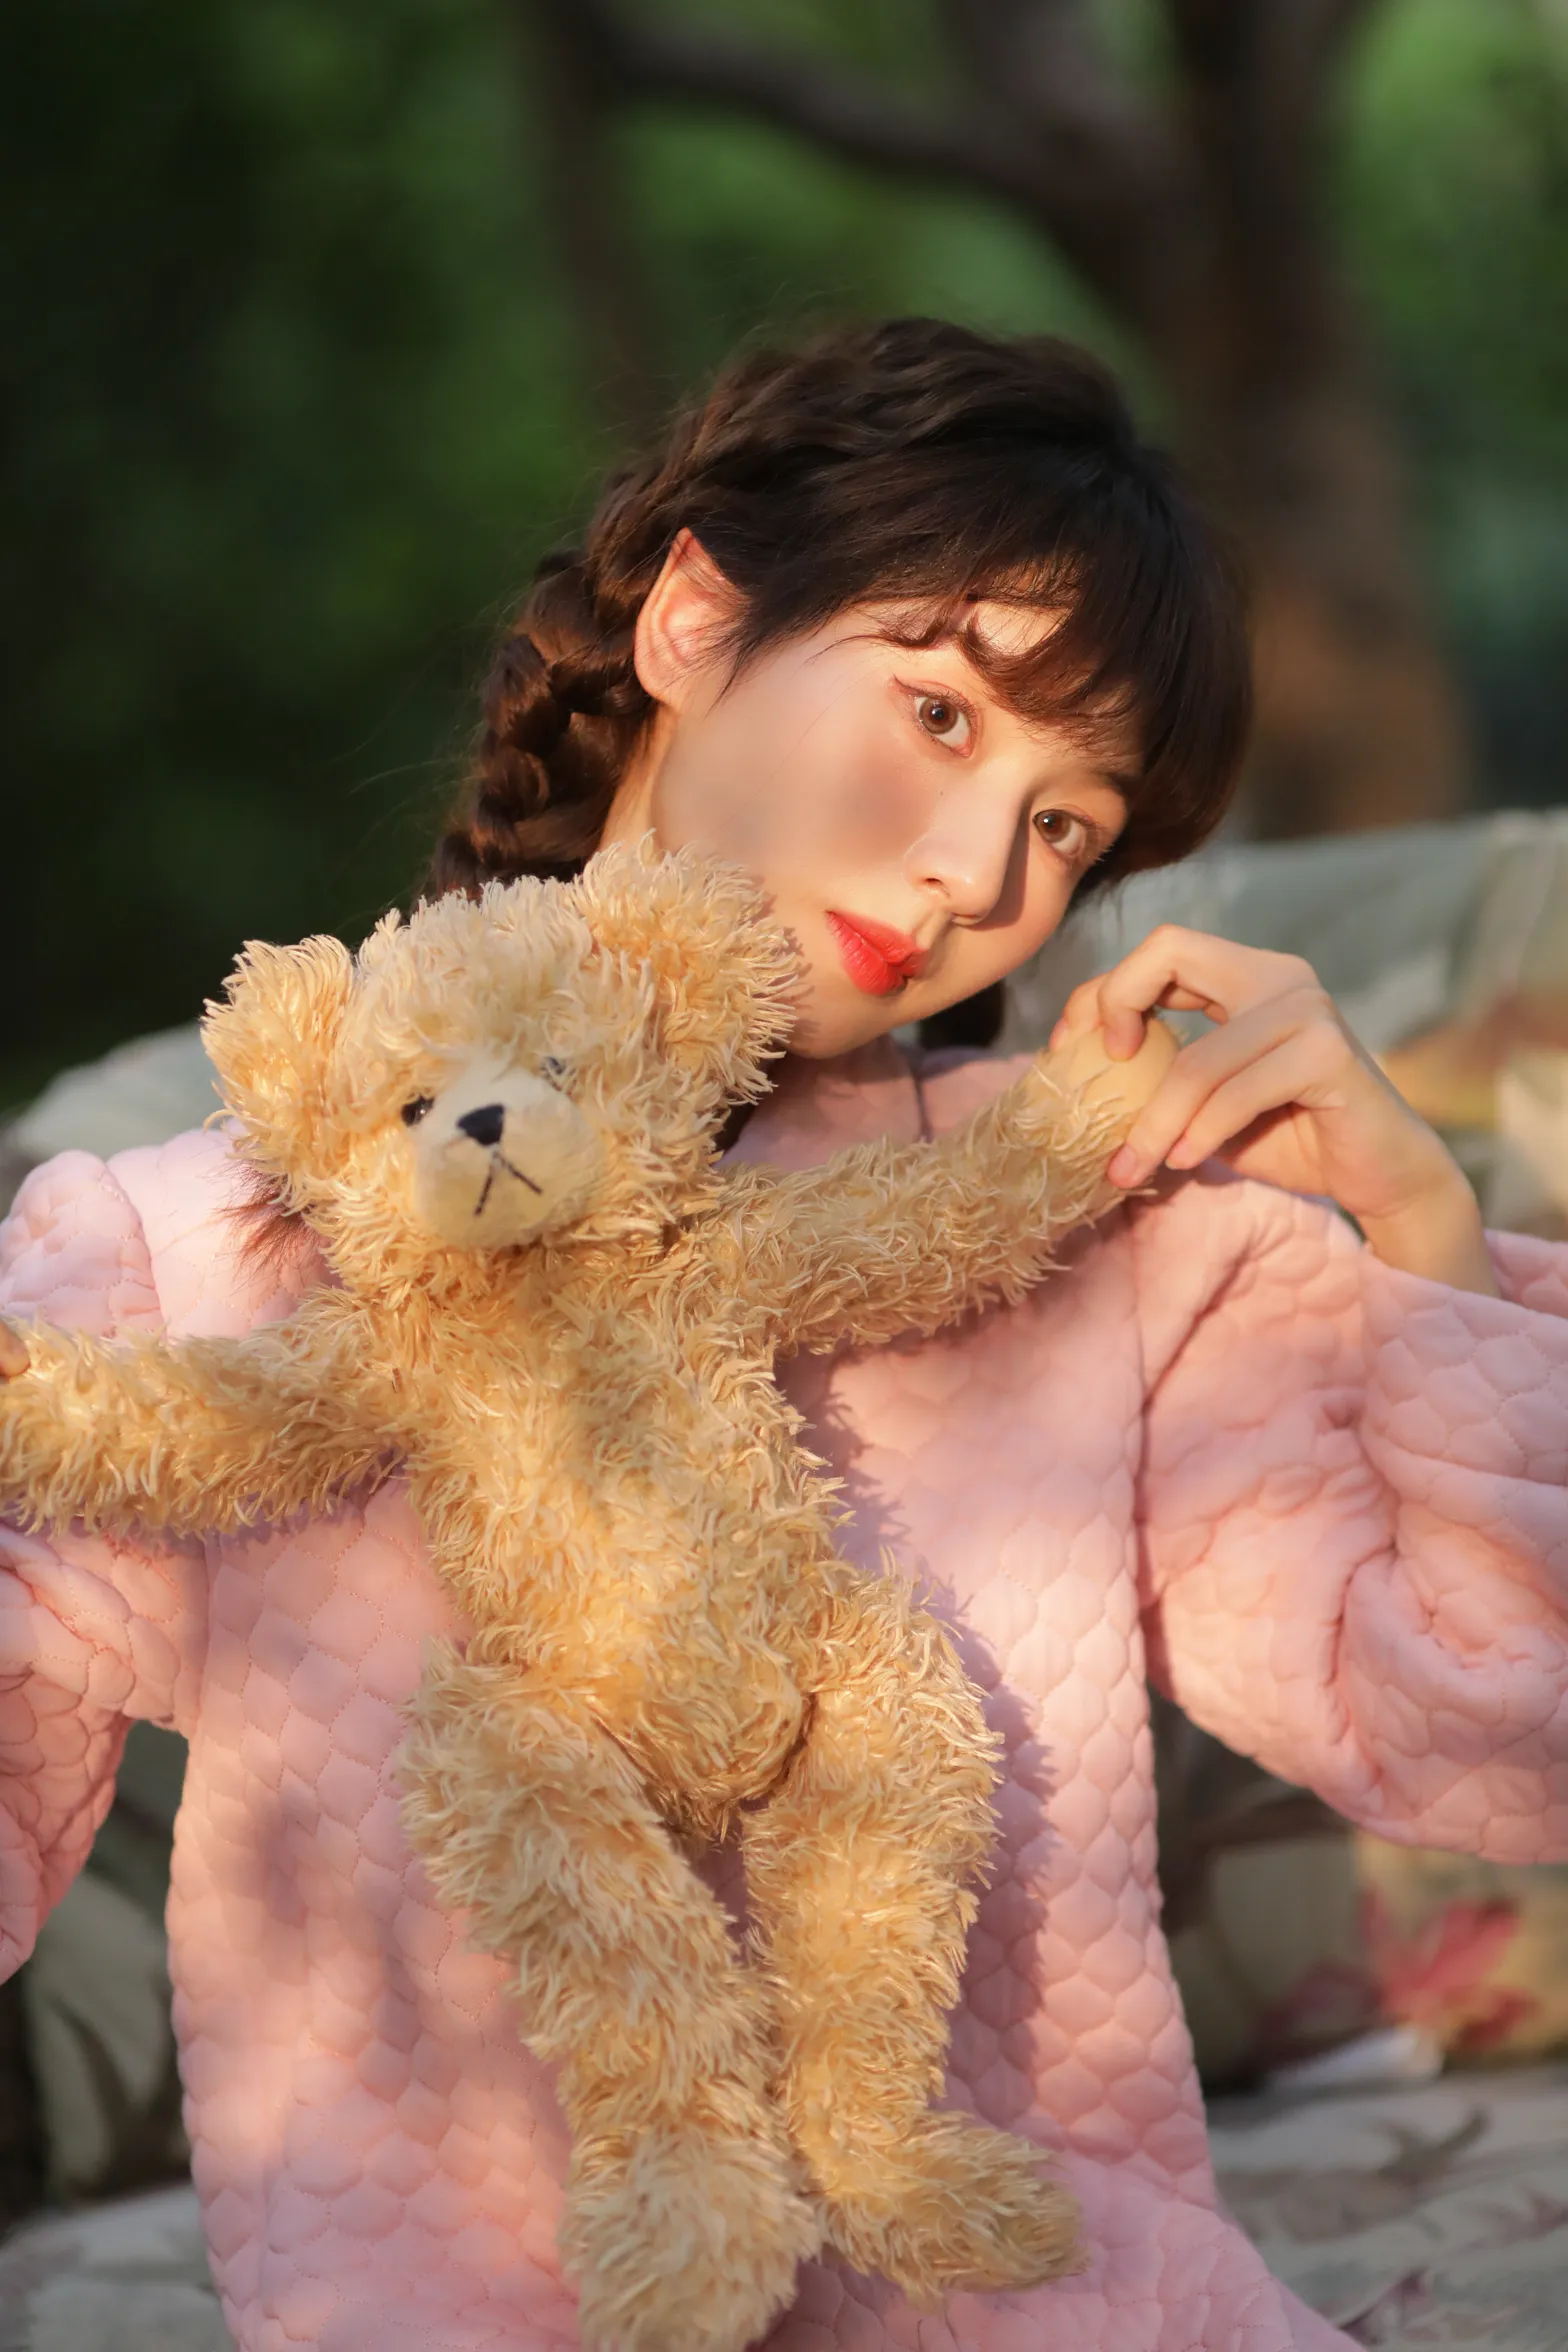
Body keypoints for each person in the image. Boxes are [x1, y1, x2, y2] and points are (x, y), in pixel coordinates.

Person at [1, 317, 1564, 2352]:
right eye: (937, 709)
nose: (977, 874)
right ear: (691, 617)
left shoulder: (1088, 1228)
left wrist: (1416, 1226)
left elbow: (1505, 1735)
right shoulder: (187, 1261)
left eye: (1070, 825)